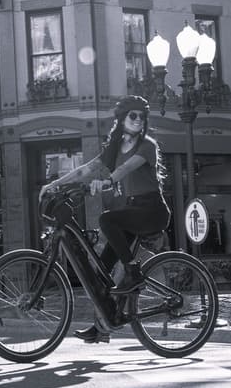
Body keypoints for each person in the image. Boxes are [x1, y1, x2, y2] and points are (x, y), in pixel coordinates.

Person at [40, 96, 170, 343]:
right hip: (132, 211)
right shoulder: (115, 147)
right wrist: (55, 184)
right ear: (121, 119)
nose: (138, 120)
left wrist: (108, 181)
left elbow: (127, 168)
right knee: (102, 271)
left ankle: (133, 272)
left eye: (142, 116)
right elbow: (86, 169)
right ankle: (102, 326)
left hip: (152, 211)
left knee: (107, 220)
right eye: (133, 115)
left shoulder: (147, 145)